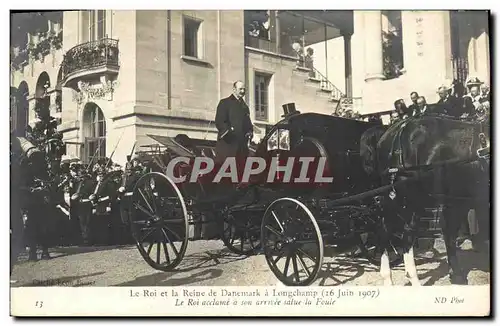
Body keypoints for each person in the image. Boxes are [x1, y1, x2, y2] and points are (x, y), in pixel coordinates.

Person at [214, 80, 253, 166]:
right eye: (240, 89)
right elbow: (219, 121)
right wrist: (229, 132)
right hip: (228, 146)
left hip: (242, 148)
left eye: (244, 89)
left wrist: (250, 132)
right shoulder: (224, 103)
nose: (243, 91)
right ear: (234, 89)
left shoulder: (245, 107)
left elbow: (248, 124)